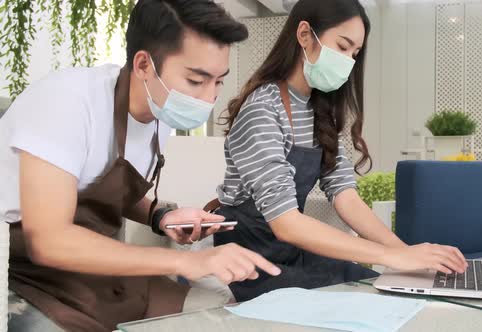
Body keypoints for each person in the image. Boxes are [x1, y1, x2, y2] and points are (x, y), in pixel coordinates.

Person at [0, 1, 280, 331]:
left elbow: (103, 187)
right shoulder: (67, 102)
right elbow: (49, 242)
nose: (209, 98)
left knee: (224, 315)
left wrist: (159, 215)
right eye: (195, 80)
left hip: (95, 271)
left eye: (218, 82)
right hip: (22, 274)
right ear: (144, 64)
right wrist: (185, 261)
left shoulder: (158, 113)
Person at [209, 0, 468, 302]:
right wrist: (391, 257)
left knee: (384, 287)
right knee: (368, 299)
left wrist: (405, 252)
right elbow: (286, 223)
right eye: (342, 47)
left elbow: (346, 196)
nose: (348, 61)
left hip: (293, 252)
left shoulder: (318, 111)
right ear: (304, 35)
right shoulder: (262, 110)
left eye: (354, 54)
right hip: (250, 264)